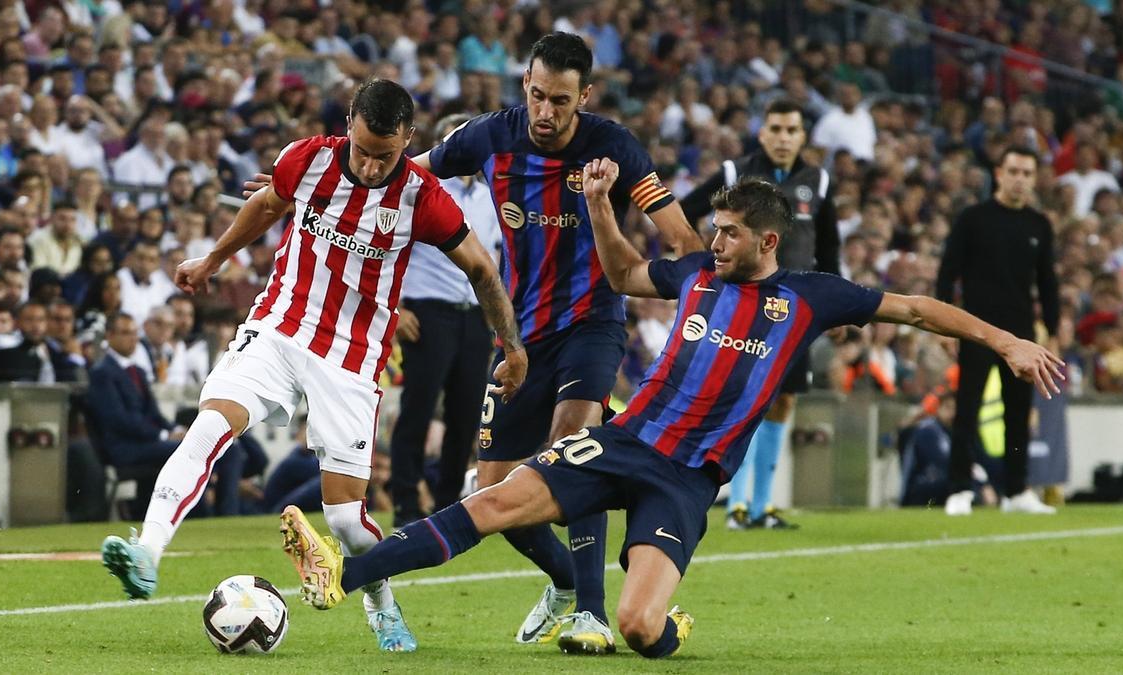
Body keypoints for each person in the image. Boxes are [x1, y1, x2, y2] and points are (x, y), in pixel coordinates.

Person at [280, 165, 1063, 659]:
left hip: (685, 482)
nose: (709, 240)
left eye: (724, 232)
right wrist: (596, 205)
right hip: (623, 442)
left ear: (765, 238)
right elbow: (621, 273)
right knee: (491, 502)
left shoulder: (811, 297)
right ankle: (340, 576)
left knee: (640, 628)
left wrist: (1007, 340)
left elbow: (920, 309)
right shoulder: (692, 274)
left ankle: (665, 626)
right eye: (710, 230)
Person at [244, 32, 704, 653]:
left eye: (561, 101)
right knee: (492, 490)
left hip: (592, 323)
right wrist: (300, 191)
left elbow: (681, 239)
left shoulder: (613, 147)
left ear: (585, 96)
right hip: (520, 332)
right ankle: (567, 583)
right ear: (525, 86)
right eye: (538, 95)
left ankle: (591, 615)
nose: (546, 112)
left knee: (574, 445)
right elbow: (399, 183)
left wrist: (708, 304)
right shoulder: (489, 136)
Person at [100, 79, 526, 655]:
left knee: (347, 521)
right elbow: (265, 205)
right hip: (278, 327)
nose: (373, 166)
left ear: (409, 138)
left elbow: (481, 268)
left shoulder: (422, 196)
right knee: (208, 428)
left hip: (350, 361)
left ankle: (381, 604)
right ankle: (146, 553)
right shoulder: (308, 159)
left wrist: (511, 344)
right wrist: (214, 259)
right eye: (364, 149)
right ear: (349, 122)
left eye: (387, 154)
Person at [681, 98, 839, 531]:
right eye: (776, 129)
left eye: (792, 130)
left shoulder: (819, 181)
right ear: (762, 132)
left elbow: (829, 249)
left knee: (783, 400)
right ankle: (735, 500)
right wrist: (701, 266)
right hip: (743, 305)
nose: (784, 138)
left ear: (803, 136)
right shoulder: (736, 175)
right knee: (742, 398)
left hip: (796, 310)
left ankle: (761, 506)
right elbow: (685, 211)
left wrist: (835, 307)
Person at [388, 113, 502, 526]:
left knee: (466, 414)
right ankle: (404, 503)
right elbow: (387, 247)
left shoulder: (492, 197)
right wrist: (394, 306)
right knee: (417, 409)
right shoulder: (420, 190)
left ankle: (448, 507)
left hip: (475, 316)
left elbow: (497, 261)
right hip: (427, 312)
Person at [936, 145, 1060, 516]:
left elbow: (1048, 284)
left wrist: (1052, 332)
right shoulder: (973, 218)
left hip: (1021, 332)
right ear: (999, 173)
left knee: (1019, 412)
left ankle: (1017, 490)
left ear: (1034, 179)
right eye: (1014, 171)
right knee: (966, 408)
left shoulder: (1040, 224)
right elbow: (947, 272)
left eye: (1027, 172)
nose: (1020, 179)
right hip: (975, 328)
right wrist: (946, 325)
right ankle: (959, 488)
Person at [87, 313, 185, 519]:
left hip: (146, 444)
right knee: (182, 451)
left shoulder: (138, 371)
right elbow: (118, 420)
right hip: (125, 448)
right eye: (125, 333)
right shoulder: (102, 372)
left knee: (196, 446)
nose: (132, 338)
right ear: (110, 335)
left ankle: (222, 513)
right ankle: (193, 516)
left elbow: (154, 413)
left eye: (134, 333)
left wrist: (174, 430)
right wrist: (163, 436)